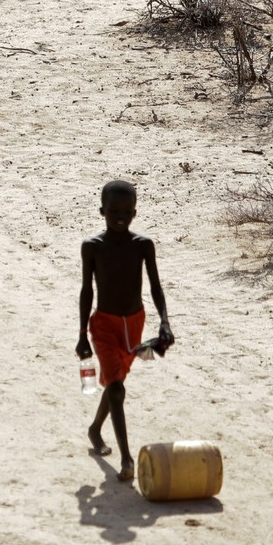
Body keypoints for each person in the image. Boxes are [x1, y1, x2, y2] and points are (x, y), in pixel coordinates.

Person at [76, 179, 174, 482]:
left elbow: (155, 286)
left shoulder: (143, 245)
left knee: (114, 383)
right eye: (113, 211)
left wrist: (165, 321)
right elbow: (86, 291)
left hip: (134, 323)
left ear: (135, 212)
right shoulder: (92, 247)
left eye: (126, 212)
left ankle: (95, 429)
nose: (120, 217)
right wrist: (82, 334)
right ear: (102, 211)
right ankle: (127, 459)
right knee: (117, 388)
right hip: (103, 324)